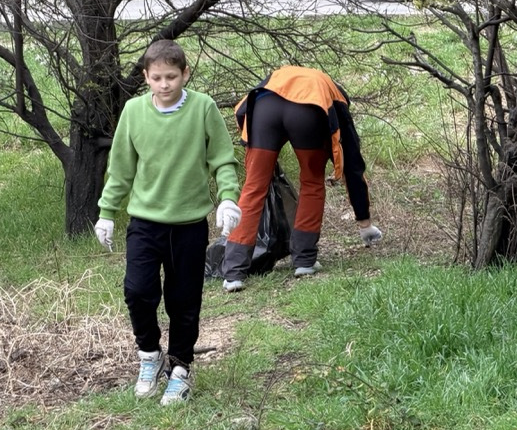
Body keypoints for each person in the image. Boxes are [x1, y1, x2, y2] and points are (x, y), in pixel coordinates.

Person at [93, 40, 241, 405]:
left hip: (189, 223)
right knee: (137, 290)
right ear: (146, 77)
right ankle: (150, 355)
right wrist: (107, 212)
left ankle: (180, 368)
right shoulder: (133, 111)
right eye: (157, 78)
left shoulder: (203, 108)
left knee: (184, 299)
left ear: (185, 74)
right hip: (145, 221)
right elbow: (121, 169)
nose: (164, 84)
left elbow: (223, 159)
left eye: (171, 77)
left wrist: (228, 198)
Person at [220, 66, 382, 292]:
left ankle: (233, 273)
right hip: (307, 112)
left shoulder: (282, 76)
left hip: (264, 106)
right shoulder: (336, 98)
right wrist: (365, 223)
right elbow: (353, 165)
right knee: (312, 181)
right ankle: (304, 262)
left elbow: (243, 110)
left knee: (254, 186)